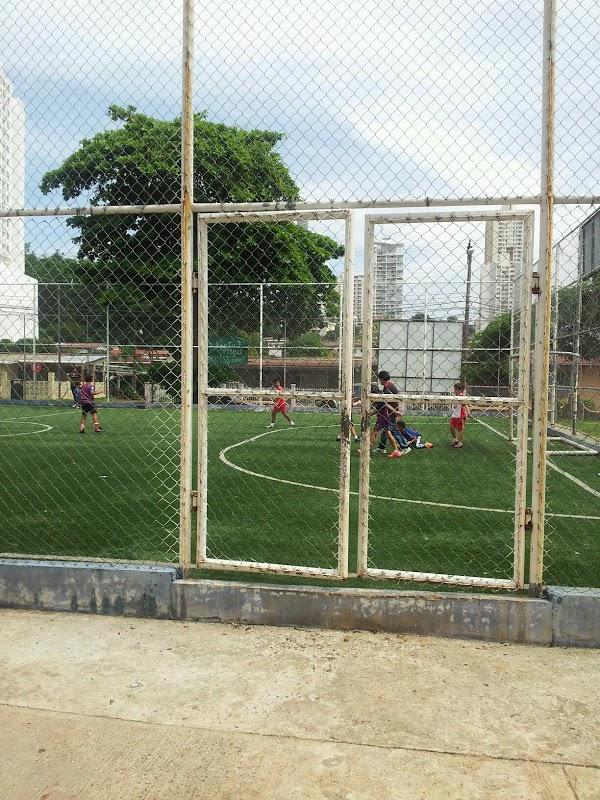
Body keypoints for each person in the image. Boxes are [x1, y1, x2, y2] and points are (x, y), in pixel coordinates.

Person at [369, 384, 409, 459]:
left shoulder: (378, 398)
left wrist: (395, 412)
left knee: (374, 432)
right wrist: (395, 411)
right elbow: (383, 406)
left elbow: (384, 406)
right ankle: (396, 450)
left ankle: (367, 450)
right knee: (388, 433)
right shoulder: (379, 397)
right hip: (386, 417)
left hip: (382, 418)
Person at [450, 383, 469, 448]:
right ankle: (455, 439)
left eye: (456, 389)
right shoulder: (456, 396)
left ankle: (460, 443)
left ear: (460, 390)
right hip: (454, 414)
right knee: (451, 427)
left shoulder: (461, 396)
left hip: (459, 416)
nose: (455, 391)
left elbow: (465, 404)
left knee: (460, 429)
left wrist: (467, 412)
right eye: (454, 389)